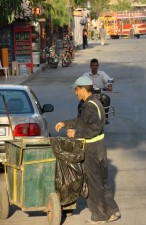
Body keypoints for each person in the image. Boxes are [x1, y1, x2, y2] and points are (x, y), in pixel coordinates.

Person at [55, 76, 120, 224]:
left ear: (83, 89)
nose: (75, 93)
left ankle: (99, 216)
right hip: (100, 147)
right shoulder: (95, 102)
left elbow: (93, 128)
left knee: (94, 184)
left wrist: (75, 134)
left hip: (92, 149)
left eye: (76, 90)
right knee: (103, 182)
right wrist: (65, 123)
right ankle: (112, 211)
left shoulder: (90, 105)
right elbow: (81, 122)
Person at [79, 58, 112, 124]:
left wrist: (109, 86)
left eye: (96, 65)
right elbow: (80, 81)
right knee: (81, 104)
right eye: (93, 65)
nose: (94, 67)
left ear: (98, 66)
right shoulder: (86, 75)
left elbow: (108, 80)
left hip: (100, 94)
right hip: (89, 95)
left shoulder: (102, 74)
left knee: (107, 99)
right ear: (90, 66)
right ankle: (80, 117)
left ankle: (105, 117)